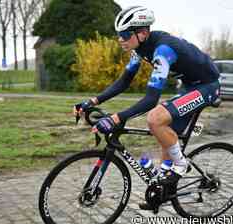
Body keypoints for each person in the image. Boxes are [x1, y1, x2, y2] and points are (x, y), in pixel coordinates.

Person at [74, 6, 220, 209]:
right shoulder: (139, 49)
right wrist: (93, 101)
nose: (120, 39)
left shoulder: (163, 50)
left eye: (125, 35)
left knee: (155, 118)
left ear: (142, 33)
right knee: (165, 133)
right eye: (119, 35)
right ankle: (163, 191)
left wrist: (116, 118)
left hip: (207, 86)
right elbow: (124, 82)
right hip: (189, 86)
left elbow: (151, 99)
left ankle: (181, 165)